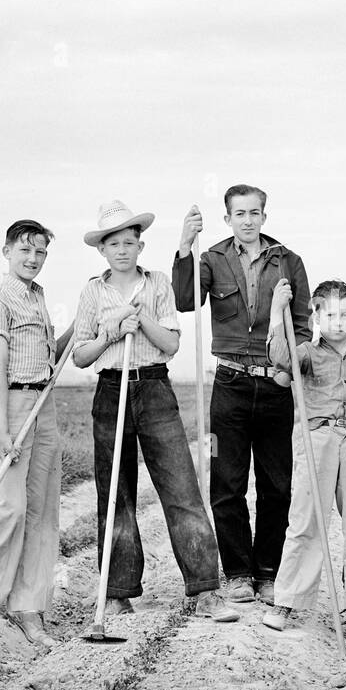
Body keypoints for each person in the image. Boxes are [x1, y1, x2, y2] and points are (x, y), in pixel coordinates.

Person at [72, 201, 238, 624]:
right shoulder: (93, 291)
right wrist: (111, 333)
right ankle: (117, 591)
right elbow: (80, 356)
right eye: (114, 244)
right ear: (102, 250)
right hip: (111, 391)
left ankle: (205, 589)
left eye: (129, 242)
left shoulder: (158, 283)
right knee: (115, 494)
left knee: (180, 486)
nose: (122, 250)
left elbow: (171, 343)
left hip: (154, 387)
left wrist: (140, 320)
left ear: (140, 245)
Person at [172, 186, 311, 605]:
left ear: (264, 217)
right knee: (227, 484)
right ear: (227, 218)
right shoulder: (211, 258)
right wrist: (184, 246)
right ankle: (237, 572)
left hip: (276, 385)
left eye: (254, 212)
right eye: (239, 213)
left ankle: (268, 573)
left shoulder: (289, 261)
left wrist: (292, 364)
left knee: (276, 486)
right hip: (229, 384)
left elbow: (302, 325)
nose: (247, 220)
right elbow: (184, 301)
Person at [0, 219, 71, 649]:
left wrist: (81, 324)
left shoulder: (38, 297)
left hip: (44, 404)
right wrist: (5, 429)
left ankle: (29, 607)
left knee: (43, 513)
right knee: (12, 507)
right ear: (6, 251)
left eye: (41, 253)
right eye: (25, 251)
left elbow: (49, 358)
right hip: (11, 406)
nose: (33, 259)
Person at [263, 277, 346, 631]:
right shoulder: (305, 351)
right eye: (331, 314)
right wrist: (277, 312)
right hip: (316, 437)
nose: (339, 322)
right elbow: (280, 359)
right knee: (306, 520)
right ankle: (286, 601)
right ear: (316, 315)